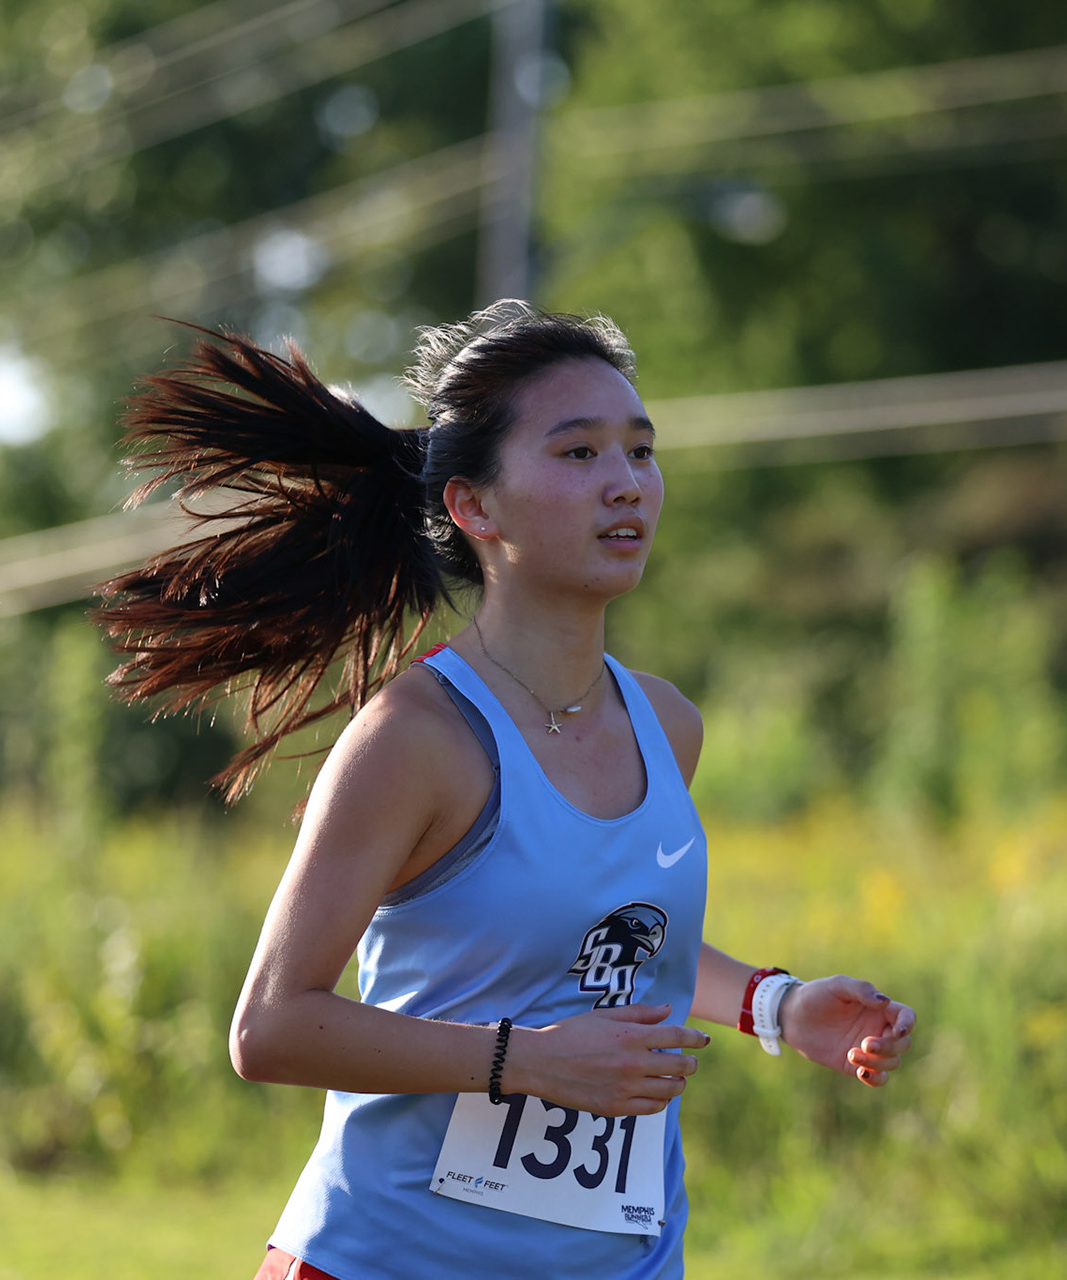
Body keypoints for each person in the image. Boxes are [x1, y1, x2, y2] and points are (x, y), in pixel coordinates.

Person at [95, 301, 918, 1279]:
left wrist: (776, 1005)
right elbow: (269, 1025)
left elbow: (609, 944)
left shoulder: (668, 724)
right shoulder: (416, 740)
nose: (627, 484)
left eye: (641, 451)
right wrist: (523, 1060)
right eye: (579, 455)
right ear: (474, 507)